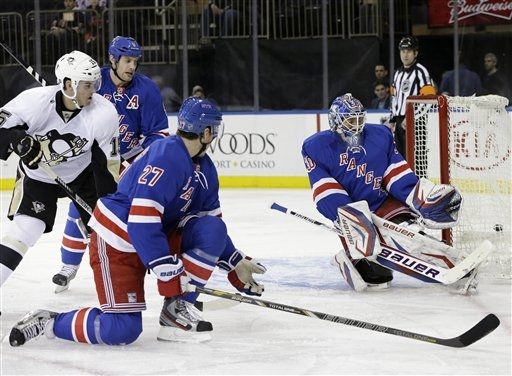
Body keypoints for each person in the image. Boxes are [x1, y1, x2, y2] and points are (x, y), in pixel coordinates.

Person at [9, 97, 267, 347]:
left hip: (154, 236)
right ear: (207, 132)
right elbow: (142, 220)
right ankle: (50, 322)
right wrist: (165, 269)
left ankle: (176, 311)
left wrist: (235, 262)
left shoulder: (205, 169)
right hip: (118, 238)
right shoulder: (167, 155)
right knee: (121, 329)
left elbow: (211, 226)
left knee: (212, 229)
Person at [301, 94, 466, 292]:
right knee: (377, 280)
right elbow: (324, 188)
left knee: (409, 233)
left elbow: (395, 171)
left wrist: (420, 196)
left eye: (360, 118)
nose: (357, 125)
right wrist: (348, 215)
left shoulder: (380, 135)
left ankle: (449, 264)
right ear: (336, 121)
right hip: (353, 212)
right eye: (350, 120)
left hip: (382, 203)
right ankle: (350, 259)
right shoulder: (316, 147)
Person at [52, 36, 170, 293]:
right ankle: (68, 266)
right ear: (113, 59)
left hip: (129, 161)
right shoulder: (93, 80)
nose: (132, 67)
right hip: (92, 156)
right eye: (127, 60)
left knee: (125, 214)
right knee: (79, 206)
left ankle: (134, 260)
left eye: (135, 62)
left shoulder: (147, 89)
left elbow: (158, 135)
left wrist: (135, 164)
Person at [0, 50, 119, 291]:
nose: (93, 91)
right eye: (87, 85)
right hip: (38, 177)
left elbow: (108, 166)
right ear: (68, 84)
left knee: (105, 232)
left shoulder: (104, 113)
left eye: (95, 84)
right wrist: (16, 140)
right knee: (25, 230)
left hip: (83, 175)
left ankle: (117, 293)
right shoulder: (34, 102)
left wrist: (109, 206)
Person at [390, 36, 435, 158]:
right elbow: (394, 97)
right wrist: (392, 120)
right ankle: (404, 178)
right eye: (403, 51)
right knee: (400, 155)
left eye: (409, 51)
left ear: (415, 53)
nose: (405, 55)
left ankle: (418, 178)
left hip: (416, 121)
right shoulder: (397, 73)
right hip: (399, 121)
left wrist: (411, 116)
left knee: (417, 156)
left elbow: (429, 98)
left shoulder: (421, 71)